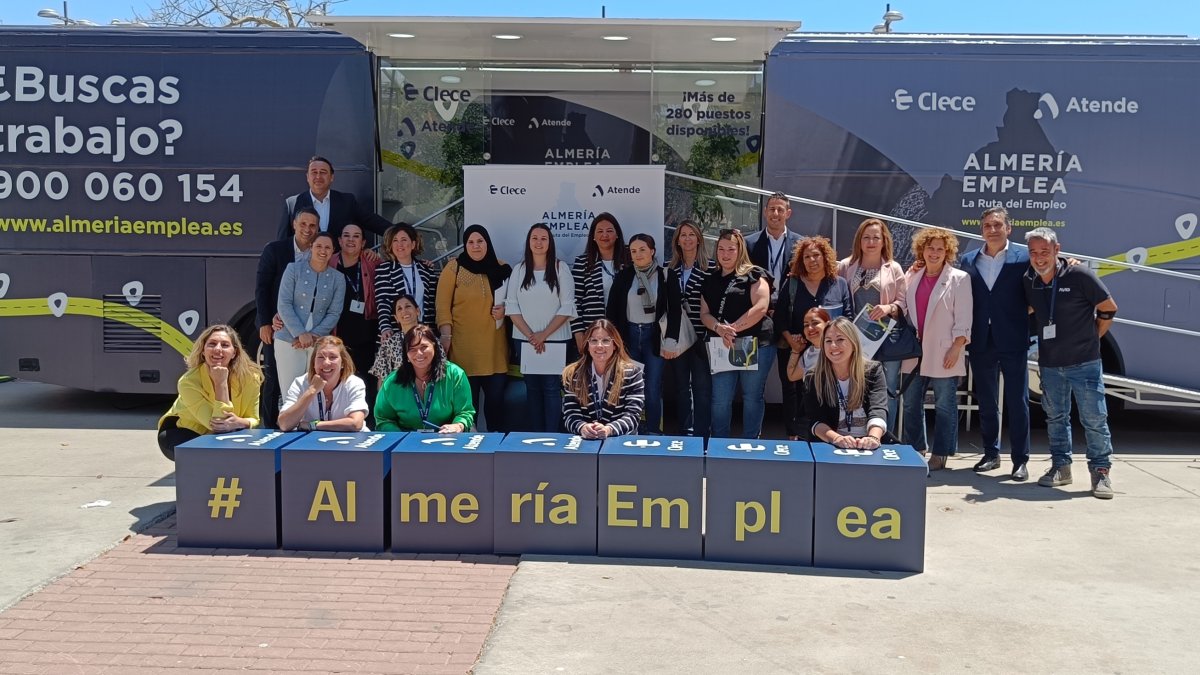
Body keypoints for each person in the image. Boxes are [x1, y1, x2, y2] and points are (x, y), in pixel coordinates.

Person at [1024, 227, 1118, 499]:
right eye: (1033, 253)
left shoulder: (1079, 274)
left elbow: (1109, 308)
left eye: (1044, 252)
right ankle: (1061, 467)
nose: (1039, 258)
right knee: (1055, 417)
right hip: (1051, 364)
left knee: (1094, 418)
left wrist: (1092, 338)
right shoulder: (1029, 280)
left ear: (1057, 250)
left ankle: (1101, 473)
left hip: (1084, 362)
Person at [959, 207, 1033, 480]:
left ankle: (1020, 460)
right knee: (988, 401)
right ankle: (991, 454)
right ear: (982, 230)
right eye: (988, 225)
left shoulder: (1024, 257)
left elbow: (1041, 286)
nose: (992, 229)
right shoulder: (968, 260)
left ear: (1008, 228)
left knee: (1018, 401)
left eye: (998, 225)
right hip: (980, 340)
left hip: (1013, 338)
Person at [901, 227, 972, 470]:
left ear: (948, 252)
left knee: (944, 404)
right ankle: (916, 449)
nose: (934, 253)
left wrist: (956, 347)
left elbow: (964, 319)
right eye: (930, 247)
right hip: (914, 351)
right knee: (911, 403)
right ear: (922, 249)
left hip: (945, 351)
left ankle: (941, 453)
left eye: (940, 249)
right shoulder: (912, 275)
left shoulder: (960, 278)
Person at [775, 236, 853, 439]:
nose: (812, 260)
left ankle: (829, 434)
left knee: (826, 393)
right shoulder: (792, 283)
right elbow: (780, 316)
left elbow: (849, 318)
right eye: (807, 256)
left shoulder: (840, 284)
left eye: (816, 255)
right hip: (796, 350)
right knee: (793, 393)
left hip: (832, 353)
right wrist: (791, 341)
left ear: (825, 257)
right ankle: (795, 436)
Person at [700, 228, 774, 439]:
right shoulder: (710, 279)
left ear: (739, 250)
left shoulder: (754, 274)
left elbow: (761, 306)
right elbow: (704, 314)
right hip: (723, 345)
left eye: (731, 249)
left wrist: (733, 329)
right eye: (721, 249)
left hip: (755, 343)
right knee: (720, 399)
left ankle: (751, 443)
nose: (725, 254)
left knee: (752, 397)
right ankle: (719, 445)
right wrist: (719, 328)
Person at [437, 224, 511, 432]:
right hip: (463, 350)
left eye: (480, 241)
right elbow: (442, 305)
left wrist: (505, 310)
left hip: (494, 351)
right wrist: (445, 335)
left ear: (487, 243)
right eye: (471, 242)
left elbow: (516, 303)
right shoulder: (454, 268)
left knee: (496, 407)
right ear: (465, 244)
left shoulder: (503, 268)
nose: (476, 246)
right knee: (467, 408)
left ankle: (497, 449)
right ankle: (469, 454)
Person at [837, 218, 908, 429]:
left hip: (886, 339)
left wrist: (888, 308)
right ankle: (857, 431)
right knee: (856, 387)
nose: (871, 242)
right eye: (866, 237)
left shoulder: (893, 268)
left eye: (876, 237)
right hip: (855, 340)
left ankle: (885, 436)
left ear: (883, 240)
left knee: (888, 390)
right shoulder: (845, 266)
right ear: (859, 241)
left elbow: (903, 301)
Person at [506, 223, 577, 432]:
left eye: (543, 238)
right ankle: (537, 435)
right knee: (533, 388)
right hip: (524, 340)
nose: (538, 242)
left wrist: (543, 335)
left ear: (550, 242)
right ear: (528, 242)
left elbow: (567, 306)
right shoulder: (519, 270)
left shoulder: (559, 268)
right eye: (534, 238)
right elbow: (511, 306)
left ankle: (552, 435)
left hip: (555, 339)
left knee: (552, 388)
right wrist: (531, 336)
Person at [745, 192, 805, 435]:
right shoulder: (749, 244)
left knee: (790, 381)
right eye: (772, 209)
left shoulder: (801, 244)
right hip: (758, 320)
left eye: (781, 209)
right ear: (765, 212)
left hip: (789, 321)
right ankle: (753, 435)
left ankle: (794, 434)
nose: (776, 214)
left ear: (788, 213)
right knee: (752, 383)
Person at [157, 325, 262, 461]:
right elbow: (218, 425)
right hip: (183, 430)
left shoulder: (251, 377)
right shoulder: (188, 382)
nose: (218, 349)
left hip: (224, 431)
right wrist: (221, 383)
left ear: (234, 353)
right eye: (212, 344)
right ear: (203, 351)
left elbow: (254, 419)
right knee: (211, 457)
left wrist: (239, 422)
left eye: (224, 345)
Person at [255, 207, 319, 427]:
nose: (307, 229)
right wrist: (264, 322)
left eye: (312, 225)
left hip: (310, 327)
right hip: (278, 326)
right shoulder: (275, 250)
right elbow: (262, 287)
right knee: (273, 377)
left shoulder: (321, 251)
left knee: (307, 377)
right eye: (303, 224)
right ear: (294, 224)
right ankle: (270, 425)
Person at [606, 233, 666, 434]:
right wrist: (613, 340)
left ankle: (653, 430)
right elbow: (612, 309)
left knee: (652, 387)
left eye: (642, 250)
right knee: (629, 386)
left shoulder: (665, 275)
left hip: (654, 337)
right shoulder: (624, 276)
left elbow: (673, 310)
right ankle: (630, 429)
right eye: (633, 251)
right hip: (630, 336)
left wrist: (672, 340)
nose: (638, 254)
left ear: (652, 251)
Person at [800, 316, 890, 449]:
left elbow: (878, 408)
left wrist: (873, 438)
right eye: (828, 341)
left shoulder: (873, 370)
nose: (833, 346)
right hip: (830, 444)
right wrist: (837, 439)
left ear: (854, 343)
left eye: (840, 339)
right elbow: (813, 420)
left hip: (867, 442)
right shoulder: (813, 377)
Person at [275, 232, 346, 394]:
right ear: (311, 247)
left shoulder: (338, 278)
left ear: (333, 250)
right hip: (288, 339)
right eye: (319, 246)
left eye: (327, 247)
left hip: (318, 343)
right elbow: (284, 304)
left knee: (314, 391)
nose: (323, 250)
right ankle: (290, 420)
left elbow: (334, 312)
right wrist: (300, 333)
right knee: (290, 391)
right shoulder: (293, 269)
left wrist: (313, 336)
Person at [374, 324, 475, 433]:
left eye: (424, 347)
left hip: (446, 438)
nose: (419, 353)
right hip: (406, 442)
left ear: (435, 347)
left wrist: (457, 426)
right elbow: (383, 419)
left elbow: (465, 412)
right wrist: (401, 437)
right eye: (412, 349)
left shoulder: (455, 375)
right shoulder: (392, 381)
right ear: (406, 354)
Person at [662, 219, 712, 436]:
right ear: (677, 241)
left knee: (702, 387)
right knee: (682, 387)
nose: (688, 239)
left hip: (701, 336)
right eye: (683, 235)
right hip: (678, 337)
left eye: (692, 234)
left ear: (699, 239)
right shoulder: (668, 268)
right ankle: (686, 432)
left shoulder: (711, 267)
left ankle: (702, 432)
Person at [562, 319, 646, 439]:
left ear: (615, 345)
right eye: (594, 341)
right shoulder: (573, 374)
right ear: (587, 345)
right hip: (586, 441)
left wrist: (608, 429)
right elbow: (570, 414)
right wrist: (582, 427)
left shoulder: (633, 373)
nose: (599, 346)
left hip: (621, 440)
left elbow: (633, 416)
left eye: (606, 341)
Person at [276, 155, 392, 241]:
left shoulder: (347, 201)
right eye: (314, 172)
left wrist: (398, 233)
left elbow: (373, 222)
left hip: (338, 269)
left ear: (332, 177)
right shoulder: (292, 203)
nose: (318, 176)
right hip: (304, 270)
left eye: (323, 172)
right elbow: (282, 242)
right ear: (307, 177)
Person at [332, 223, 380, 423]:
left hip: (366, 335)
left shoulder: (371, 262)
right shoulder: (330, 262)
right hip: (337, 335)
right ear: (340, 241)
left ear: (363, 243)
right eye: (347, 236)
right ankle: (342, 421)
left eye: (356, 236)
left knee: (367, 382)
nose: (351, 240)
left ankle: (367, 423)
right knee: (340, 380)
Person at [277, 336, 369, 432]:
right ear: (313, 362)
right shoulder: (300, 383)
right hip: (311, 443)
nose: (326, 362)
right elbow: (284, 424)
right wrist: (311, 391)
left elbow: (356, 423)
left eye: (333, 357)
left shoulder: (354, 383)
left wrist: (313, 425)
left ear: (342, 363)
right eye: (321, 357)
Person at [571, 213, 630, 355]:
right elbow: (574, 301)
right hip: (592, 333)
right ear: (593, 236)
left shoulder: (630, 261)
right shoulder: (582, 263)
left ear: (617, 235)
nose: (605, 235)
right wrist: (578, 333)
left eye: (609, 231)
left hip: (624, 331)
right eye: (600, 231)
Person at [374, 222, 438, 338]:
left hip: (424, 333)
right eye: (395, 240)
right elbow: (383, 302)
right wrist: (385, 327)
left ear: (413, 244)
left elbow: (432, 304)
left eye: (404, 239)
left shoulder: (427, 270)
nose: (400, 244)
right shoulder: (383, 270)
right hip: (395, 333)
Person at [369, 293, 421, 381]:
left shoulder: (431, 340)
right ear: (396, 318)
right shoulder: (389, 344)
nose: (404, 311)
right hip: (399, 392)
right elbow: (382, 381)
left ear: (417, 311)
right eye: (399, 308)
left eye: (408, 306)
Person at [785, 307, 831, 384]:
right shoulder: (808, 353)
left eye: (815, 323)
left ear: (827, 324)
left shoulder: (835, 350)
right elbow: (792, 376)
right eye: (806, 325)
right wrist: (795, 350)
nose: (810, 328)